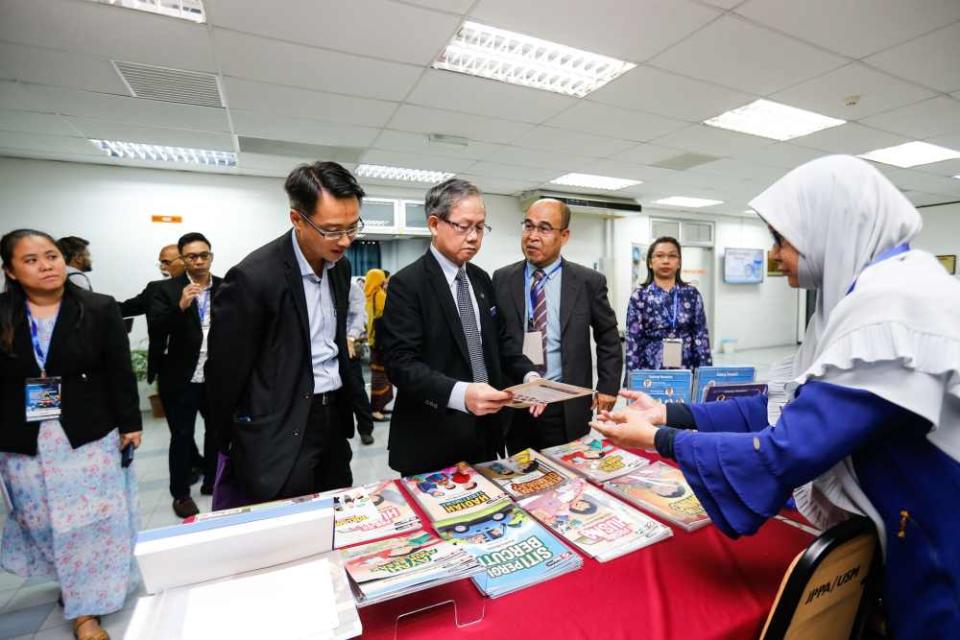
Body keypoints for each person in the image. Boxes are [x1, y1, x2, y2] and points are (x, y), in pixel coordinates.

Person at [591, 156, 960, 640]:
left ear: (825, 230)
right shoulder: (876, 290)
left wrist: (661, 438)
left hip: (936, 543)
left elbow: (787, 447)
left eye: (781, 240)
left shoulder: (888, 307)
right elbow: (781, 402)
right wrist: (670, 410)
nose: (775, 255)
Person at [0, 229, 141, 640]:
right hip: (24, 439)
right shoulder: (4, 313)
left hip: (87, 433)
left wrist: (130, 423)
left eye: (52, 256)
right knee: (42, 520)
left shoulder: (97, 308)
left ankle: (86, 611)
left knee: (91, 522)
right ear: (10, 270)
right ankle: (71, 583)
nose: (46, 265)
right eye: (31, 260)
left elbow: (119, 369)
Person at [205, 161, 364, 505]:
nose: (346, 240)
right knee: (286, 522)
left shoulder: (340, 266)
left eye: (353, 227)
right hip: (279, 426)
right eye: (333, 230)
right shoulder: (254, 277)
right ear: (297, 219)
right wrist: (232, 440)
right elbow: (224, 373)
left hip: (331, 416)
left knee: (337, 511)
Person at [379, 178, 541, 476]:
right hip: (433, 437)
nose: (473, 237)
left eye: (480, 228)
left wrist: (528, 374)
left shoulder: (480, 280)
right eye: (463, 226)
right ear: (434, 223)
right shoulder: (407, 284)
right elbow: (401, 365)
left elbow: (500, 342)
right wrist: (460, 394)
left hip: (486, 434)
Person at [493, 198, 622, 452]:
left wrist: (608, 386)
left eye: (544, 228)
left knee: (569, 479)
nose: (532, 236)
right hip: (517, 401)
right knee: (520, 476)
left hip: (565, 402)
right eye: (528, 226)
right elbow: (497, 338)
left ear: (564, 235)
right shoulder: (502, 278)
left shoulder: (588, 282)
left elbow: (607, 336)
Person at [147, 232, 220, 517]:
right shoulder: (163, 289)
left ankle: (213, 480)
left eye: (204, 255)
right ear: (182, 259)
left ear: (211, 256)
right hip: (180, 377)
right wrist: (180, 307)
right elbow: (156, 328)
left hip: (214, 375)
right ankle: (180, 494)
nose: (199, 261)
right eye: (192, 256)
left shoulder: (226, 286)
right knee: (181, 436)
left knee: (216, 432)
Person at [624, 237, 711, 374]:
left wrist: (706, 377)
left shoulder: (692, 295)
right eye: (659, 256)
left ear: (679, 263)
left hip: (687, 369)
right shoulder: (639, 296)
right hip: (650, 370)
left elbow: (701, 338)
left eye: (672, 256)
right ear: (650, 263)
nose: (666, 261)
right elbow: (633, 342)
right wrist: (632, 380)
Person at [346, 275, 375, 445]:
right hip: (323, 350)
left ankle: (365, 429)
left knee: (357, 390)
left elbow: (360, 316)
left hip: (347, 347)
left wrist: (350, 337)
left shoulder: (352, 289)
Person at [119, 244, 186, 317]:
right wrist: (105, 301)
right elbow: (124, 309)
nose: (162, 268)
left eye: (167, 262)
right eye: (161, 263)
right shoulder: (155, 290)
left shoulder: (198, 287)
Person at [364, 268, 392, 422]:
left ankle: (380, 406)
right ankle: (376, 409)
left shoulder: (367, 296)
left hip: (374, 341)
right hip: (382, 342)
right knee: (381, 375)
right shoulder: (380, 295)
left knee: (379, 374)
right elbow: (389, 314)